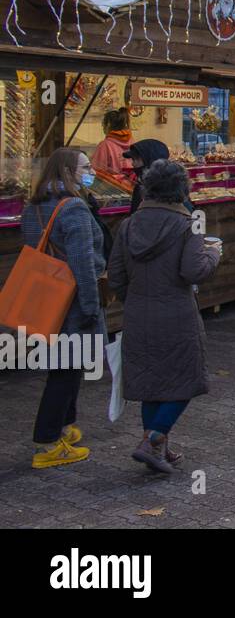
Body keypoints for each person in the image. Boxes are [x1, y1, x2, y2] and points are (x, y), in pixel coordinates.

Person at [107, 160, 221, 474]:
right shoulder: (189, 224)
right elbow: (194, 270)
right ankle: (153, 438)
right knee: (187, 378)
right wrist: (214, 254)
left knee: (151, 381)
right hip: (177, 313)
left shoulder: (129, 225)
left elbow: (115, 275)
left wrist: (137, 298)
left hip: (138, 314)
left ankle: (159, 446)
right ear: (181, 190)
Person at [21, 148, 106, 469]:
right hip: (71, 299)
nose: (91, 171)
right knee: (65, 372)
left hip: (46, 295)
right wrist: (89, 306)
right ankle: (47, 442)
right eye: (85, 167)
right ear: (68, 172)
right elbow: (83, 263)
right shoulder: (74, 209)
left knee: (66, 366)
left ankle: (65, 426)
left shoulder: (34, 208)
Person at [92, 107, 133, 180]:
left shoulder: (105, 145)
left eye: (103, 123)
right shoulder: (132, 142)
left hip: (112, 188)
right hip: (130, 187)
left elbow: (96, 173)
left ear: (108, 124)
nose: (102, 126)